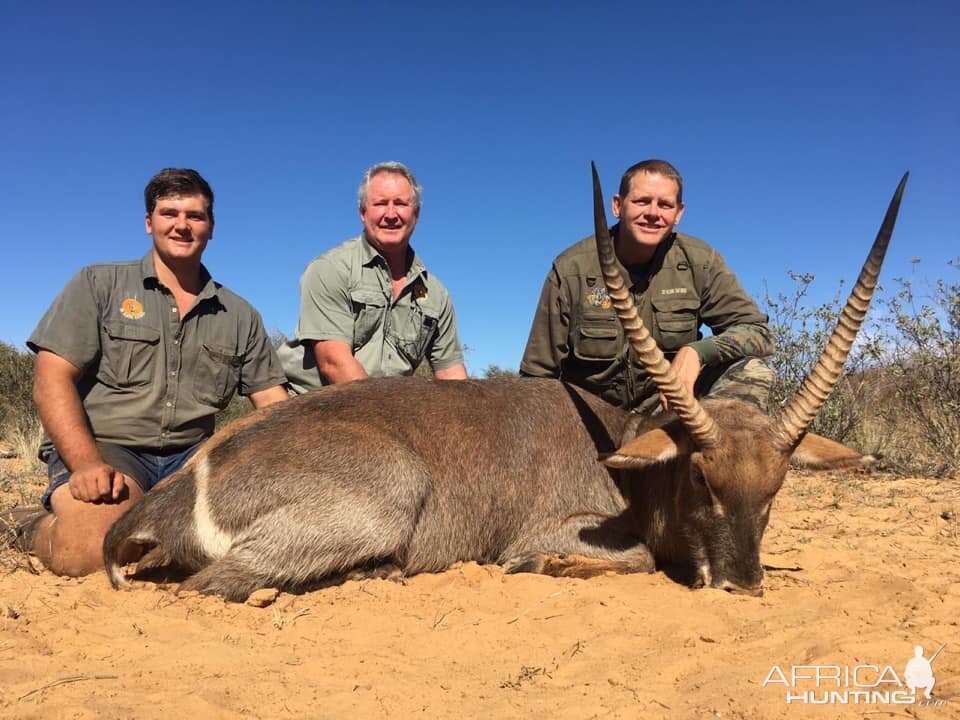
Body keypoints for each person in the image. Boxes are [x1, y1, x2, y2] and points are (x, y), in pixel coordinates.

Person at [18, 168, 289, 576]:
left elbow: (272, 406)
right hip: (108, 449)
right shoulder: (98, 284)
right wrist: (86, 464)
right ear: (149, 223)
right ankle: (28, 526)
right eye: (169, 213)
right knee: (94, 551)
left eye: (195, 216)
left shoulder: (241, 315)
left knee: (263, 536)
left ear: (211, 228)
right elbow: (50, 380)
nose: (182, 225)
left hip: (194, 460)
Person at [520, 159, 773, 415]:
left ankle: (718, 455)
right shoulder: (571, 269)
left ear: (678, 213)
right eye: (642, 201)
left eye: (665, 204)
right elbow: (536, 376)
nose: (653, 213)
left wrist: (696, 352)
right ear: (618, 206)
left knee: (751, 369)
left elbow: (758, 333)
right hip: (592, 421)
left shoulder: (701, 262)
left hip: (666, 414)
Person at [279, 162, 467, 392]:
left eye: (400, 203)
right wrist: (395, 422)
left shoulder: (436, 294)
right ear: (363, 212)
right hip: (316, 408)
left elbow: (451, 374)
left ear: (416, 214)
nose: (390, 214)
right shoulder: (331, 268)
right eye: (380, 203)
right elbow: (334, 364)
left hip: (386, 416)